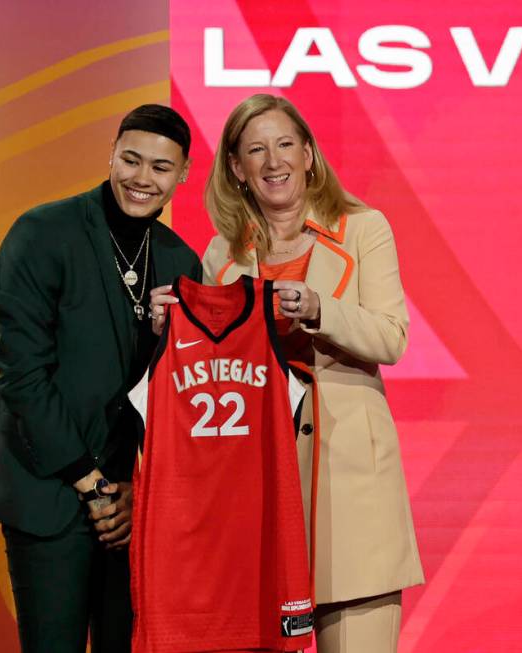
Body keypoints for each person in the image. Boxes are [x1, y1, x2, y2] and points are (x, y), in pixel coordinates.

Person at [150, 94, 423, 652]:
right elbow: (209, 369)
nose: (273, 162)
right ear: (236, 169)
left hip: (351, 490)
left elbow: (391, 337)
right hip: (258, 497)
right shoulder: (222, 255)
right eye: (256, 150)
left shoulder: (364, 228)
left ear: (308, 154)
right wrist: (170, 327)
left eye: (283, 145)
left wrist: (321, 309)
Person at [0, 104, 202, 653]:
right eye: (131, 159)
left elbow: (179, 395)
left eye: (161, 168)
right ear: (112, 153)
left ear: (184, 174)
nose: (143, 178)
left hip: (129, 507)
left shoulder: (180, 261)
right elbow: (22, 375)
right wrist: (91, 484)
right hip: (47, 491)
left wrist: (135, 491)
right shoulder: (42, 232)